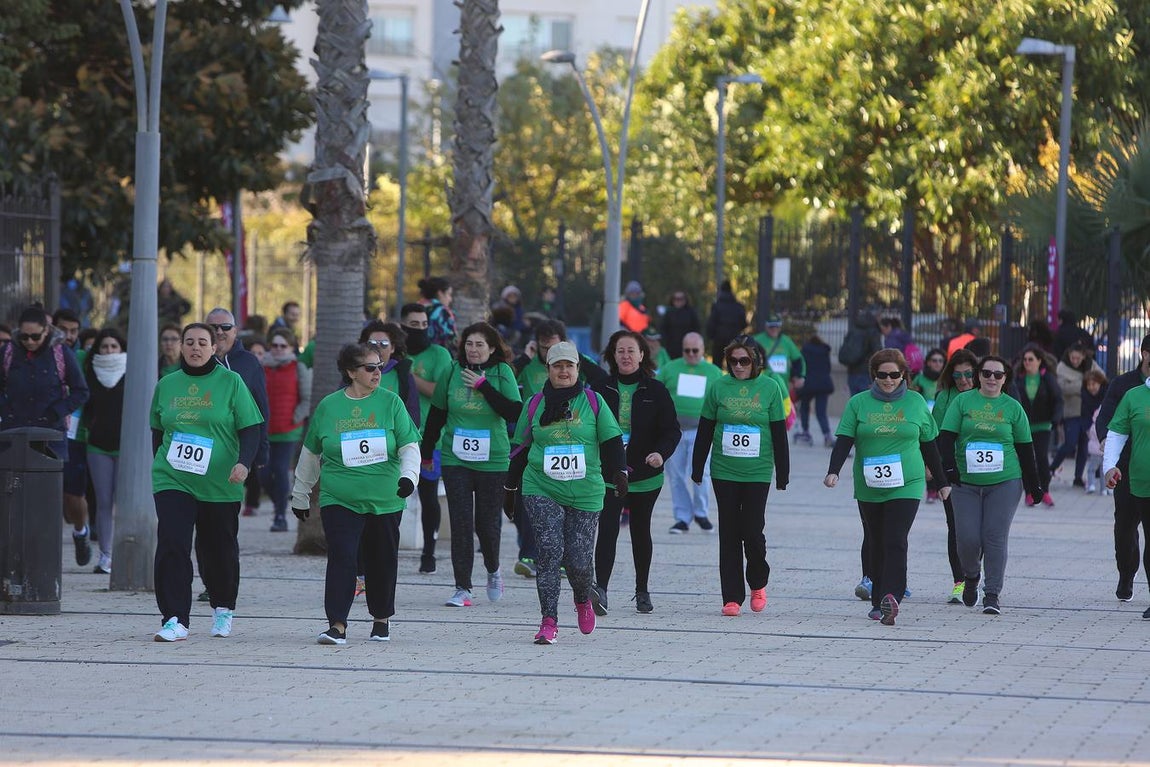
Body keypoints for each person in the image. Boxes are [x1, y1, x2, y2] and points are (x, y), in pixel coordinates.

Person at [289, 343, 421, 644]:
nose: (378, 372)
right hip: (340, 498)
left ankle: (381, 618)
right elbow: (310, 454)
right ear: (351, 372)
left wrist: (408, 478)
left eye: (380, 367)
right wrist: (300, 494)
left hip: (386, 498)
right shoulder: (329, 406)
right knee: (342, 557)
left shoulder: (391, 403)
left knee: (382, 559)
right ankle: (337, 624)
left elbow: (409, 446)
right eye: (370, 368)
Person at [505, 341, 628, 644]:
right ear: (547, 369)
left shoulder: (594, 402)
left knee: (579, 560)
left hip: (585, 491)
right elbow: (520, 448)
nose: (563, 371)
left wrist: (620, 473)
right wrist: (509, 487)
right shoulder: (534, 404)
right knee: (548, 552)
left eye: (568, 365)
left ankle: (583, 598)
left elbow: (612, 442)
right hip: (541, 486)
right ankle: (549, 620)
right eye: (557, 365)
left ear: (577, 369)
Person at [150, 322, 264, 641]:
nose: (195, 348)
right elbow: (158, 431)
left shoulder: (231, 382)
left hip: (220, 480)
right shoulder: (167, 384)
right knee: (173, 543)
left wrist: (244, 463)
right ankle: (175, 618)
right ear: (181, 347)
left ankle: (223, 607)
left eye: (203, 342)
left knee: (217, 549)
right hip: (174, 478)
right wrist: (160, 465)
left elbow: (251, 428)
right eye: (190, 342)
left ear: (215, 348)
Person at [825, 348, 949, 625]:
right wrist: (833, 471)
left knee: (895, 539)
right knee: (876, 540)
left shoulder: (916, 403)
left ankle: (891, 597)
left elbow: (930, 445)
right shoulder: (859, 403)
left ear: (904, 374)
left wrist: (941, 483)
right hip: (870, 483)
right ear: (874, 375)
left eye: (895, 374)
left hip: (907, 482)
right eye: (883, 375)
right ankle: (877, 598)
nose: (889, 380)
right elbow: (844, 439)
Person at [421, 322, 521, 608]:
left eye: (479, 344)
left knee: (487, 525)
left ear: (491, 348)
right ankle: (462, 587)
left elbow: (514, 411)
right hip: (456, 459)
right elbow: (437, 414)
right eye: (469, 344)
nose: (473, 350)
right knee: (461, 522)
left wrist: (484, 387)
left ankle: (493, 569)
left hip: (493, 460)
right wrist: (427, 451)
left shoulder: (502, 372)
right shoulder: (451, 371)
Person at [690, 335, 789, 616]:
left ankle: (757, 582)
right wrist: (697, 467)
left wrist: (783, 472)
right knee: (729, 532)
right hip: (724, 470)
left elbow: (780, 434)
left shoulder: (770, 387)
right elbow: (705, 428)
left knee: (753, 531)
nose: (738, 366)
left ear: (755, 361)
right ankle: (731, 597)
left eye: (744, 360)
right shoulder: (718, 386)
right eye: (733, 361)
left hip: (757, 471)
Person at [940, 354, 1043, 615]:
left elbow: (1025, 447)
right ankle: (971, 576)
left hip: (1005, 481)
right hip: (965, 482)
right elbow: (946, 438)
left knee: (994, 536)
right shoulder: (963, 402)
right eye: (987, 373)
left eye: (998, 374)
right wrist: (949, 469)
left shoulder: (1012, 407)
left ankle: (992, 593)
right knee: (967, 538)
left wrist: (1034, 485)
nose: (992, 379)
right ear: (979, 376)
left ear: (1005, 378)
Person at [589, 330, 680, 615]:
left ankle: (642, 591)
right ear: (612, 356)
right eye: (620, 351)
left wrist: (660, 454)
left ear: (642, 355)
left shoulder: (656, 390)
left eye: (631, 351)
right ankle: (600, 590)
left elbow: (671, 431)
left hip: (645, 475)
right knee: (607, 530)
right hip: (609, 474)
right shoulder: (600, 389)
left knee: (640, 531)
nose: (626, 356)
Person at [0, 305, 90, 564]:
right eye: (24, 337)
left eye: (35, 337)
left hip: (50, 434)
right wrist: (6, 411)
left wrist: (57, 411)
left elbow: (80, 391)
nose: (29, 342)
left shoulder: (61, 353)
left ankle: (77, 535)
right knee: (14, 496)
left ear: (46, 332)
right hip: (13, 433)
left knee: (59, 497)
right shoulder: (7, 353)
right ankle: (18, 555)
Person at [1095, 335, 1150, 604]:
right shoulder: (1124, 385)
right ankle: (1127, 573)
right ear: (1143, 353)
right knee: (1125, 528)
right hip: (1126, 468)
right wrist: (1107, 446)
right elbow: (1107, 417)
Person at [401, 303, 454, 574]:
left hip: (429, 439)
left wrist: (406, 375)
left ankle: (429, 551)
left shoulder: (439, 354)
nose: (420, 330)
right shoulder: (394, 354)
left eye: (424, 325)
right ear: (402, 326)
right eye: (414, 325)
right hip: (396, 439)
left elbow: (438, 392)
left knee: (428, 496)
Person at [206, 308, 270, 518]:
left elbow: (261, 407)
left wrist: (261, 448)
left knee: (226, 509)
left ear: (235, 331)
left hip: (239, 445)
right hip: (205, 444)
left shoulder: (249, 362)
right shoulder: (197, 361)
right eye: (213, 327)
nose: (219, 331)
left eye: (225, 327)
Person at [657, 332, 723, 533]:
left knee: (701, 473)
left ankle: (701, 513)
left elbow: (721, 398)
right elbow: (657, 390)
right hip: (674, 431)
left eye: (696, 350)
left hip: (701, 431)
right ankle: (683, 517)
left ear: (703, 350)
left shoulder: (713, 372)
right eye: (687, 350)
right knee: (676, 475)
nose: (692, 354)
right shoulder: (670, 368)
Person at [931, 348, 979, 603]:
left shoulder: (987, 395)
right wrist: (935, 470)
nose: (963, 379)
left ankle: (974, 575)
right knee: (957, 528)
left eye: (969, 374)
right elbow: (935, 436)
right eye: (958, 375)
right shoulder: (944, 397)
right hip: (952, 473)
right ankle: (960, 582)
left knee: (979, 531)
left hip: (984, 473)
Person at [83, 328, 127, 574]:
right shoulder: (90, 372)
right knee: (103, 502)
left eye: (114, 346)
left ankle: (126, 552)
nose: (109, 351)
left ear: (121, 348)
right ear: (97, 349)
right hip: (98, 446)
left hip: (126, 448)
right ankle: (105, 555)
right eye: (104, 347)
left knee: (124, 502)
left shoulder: (133, 370)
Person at [260, 327, 311, 533]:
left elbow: (306, 398)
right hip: (264, 430)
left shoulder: (298, 368)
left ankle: (280, 515)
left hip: (288, 430)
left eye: (283, 345)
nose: (279, 349)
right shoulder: (261, 367)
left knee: (280, 470)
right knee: (263, 474)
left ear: (291, 347)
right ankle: (278, 502)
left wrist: (295, 418)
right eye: (275, 345)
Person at [1013, 343, 1061, 507]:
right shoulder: (1018, 379)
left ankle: (1045, 491)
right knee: (1026, 460)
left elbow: (1057, 400)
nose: (1027, 362)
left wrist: (1056, 419)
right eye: (1025, 360)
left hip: (1043, 426)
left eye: (1031, 359)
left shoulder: (1048, 378)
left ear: (1039, 360)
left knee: (1041, 458)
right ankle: (1029, 493)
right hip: (1023, 427)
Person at [1050, 342, 1102, 488]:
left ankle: (1078, 477)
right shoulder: (1062, 367)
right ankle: (1051, 468)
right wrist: (1084, 384)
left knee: (1084, 445)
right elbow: (1061, 387)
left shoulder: (1091, 364)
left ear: (1083, 356)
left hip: (1087, 412)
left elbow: (1101, 378)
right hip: (1071, 412)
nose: (1075, 361)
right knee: (1070, 443)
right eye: (1072, 358)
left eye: (1078, 358)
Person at [359, 320, 420, 427]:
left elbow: (413, 413)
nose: (377, 348)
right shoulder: (355, 372)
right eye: (372, 343)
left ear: (392, 348)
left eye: (384, 344)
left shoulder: (403, 375)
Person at [752, 313, 805, 402]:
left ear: (780, 327)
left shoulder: (786, 341)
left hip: (783, 387)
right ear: (766, 326)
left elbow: (798, 360)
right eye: (771, 327)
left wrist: (799, 376)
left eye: (777, 327)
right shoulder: (757, 340)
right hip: (762, 385)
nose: (774, 329)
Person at [795, 333, 834, 447]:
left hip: (809, 384)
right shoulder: (825, 351)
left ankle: (805, 432)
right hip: (823, 384)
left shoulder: (805, 350)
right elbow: (828, 368)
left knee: (804, 407)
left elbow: (801, 366)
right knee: (821, 412)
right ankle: (827, 435)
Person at [839, 312, 883, 395]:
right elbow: (878, 353)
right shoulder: (873, 331)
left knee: (855, 402)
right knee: (866, 401)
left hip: (852, 371)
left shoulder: (854, 329)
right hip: (866, 372)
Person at [704, 280, 746, 366]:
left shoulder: (716, 306)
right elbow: (744, 323)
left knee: (717, 364)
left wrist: (711, 336)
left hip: (719, 339)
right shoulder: (738, 306)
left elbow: (711, 323)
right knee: (734, 363)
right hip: (734, 339)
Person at [1082, 370, 1109, 494]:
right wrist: (1088, 429)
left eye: (1094, 384)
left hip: (1104, 438)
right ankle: (1096, 486)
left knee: (1102, 467)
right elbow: (1084, 416)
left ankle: (1103, 487)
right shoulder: (1085, 397)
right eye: (1089, 385)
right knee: (1095, 466)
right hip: (1093, 438)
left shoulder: (1107, 396)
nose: (1091, 388)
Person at [418, 276, 457, 354]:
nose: (450, 299)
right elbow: (452, 340)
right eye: (449, 294)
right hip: (439, 356)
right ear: (440, 293)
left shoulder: (416, 308)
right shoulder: (443, 312)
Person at [660, 289, 700, 359]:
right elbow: (663, 329)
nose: (678, 301)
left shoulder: (691, 313)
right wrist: (665, 343)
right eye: (676, 299)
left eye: (681, 299)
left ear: (685, 300)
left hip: (688, 348)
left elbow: (696, 328)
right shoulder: (668, 313)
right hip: (671, 348)